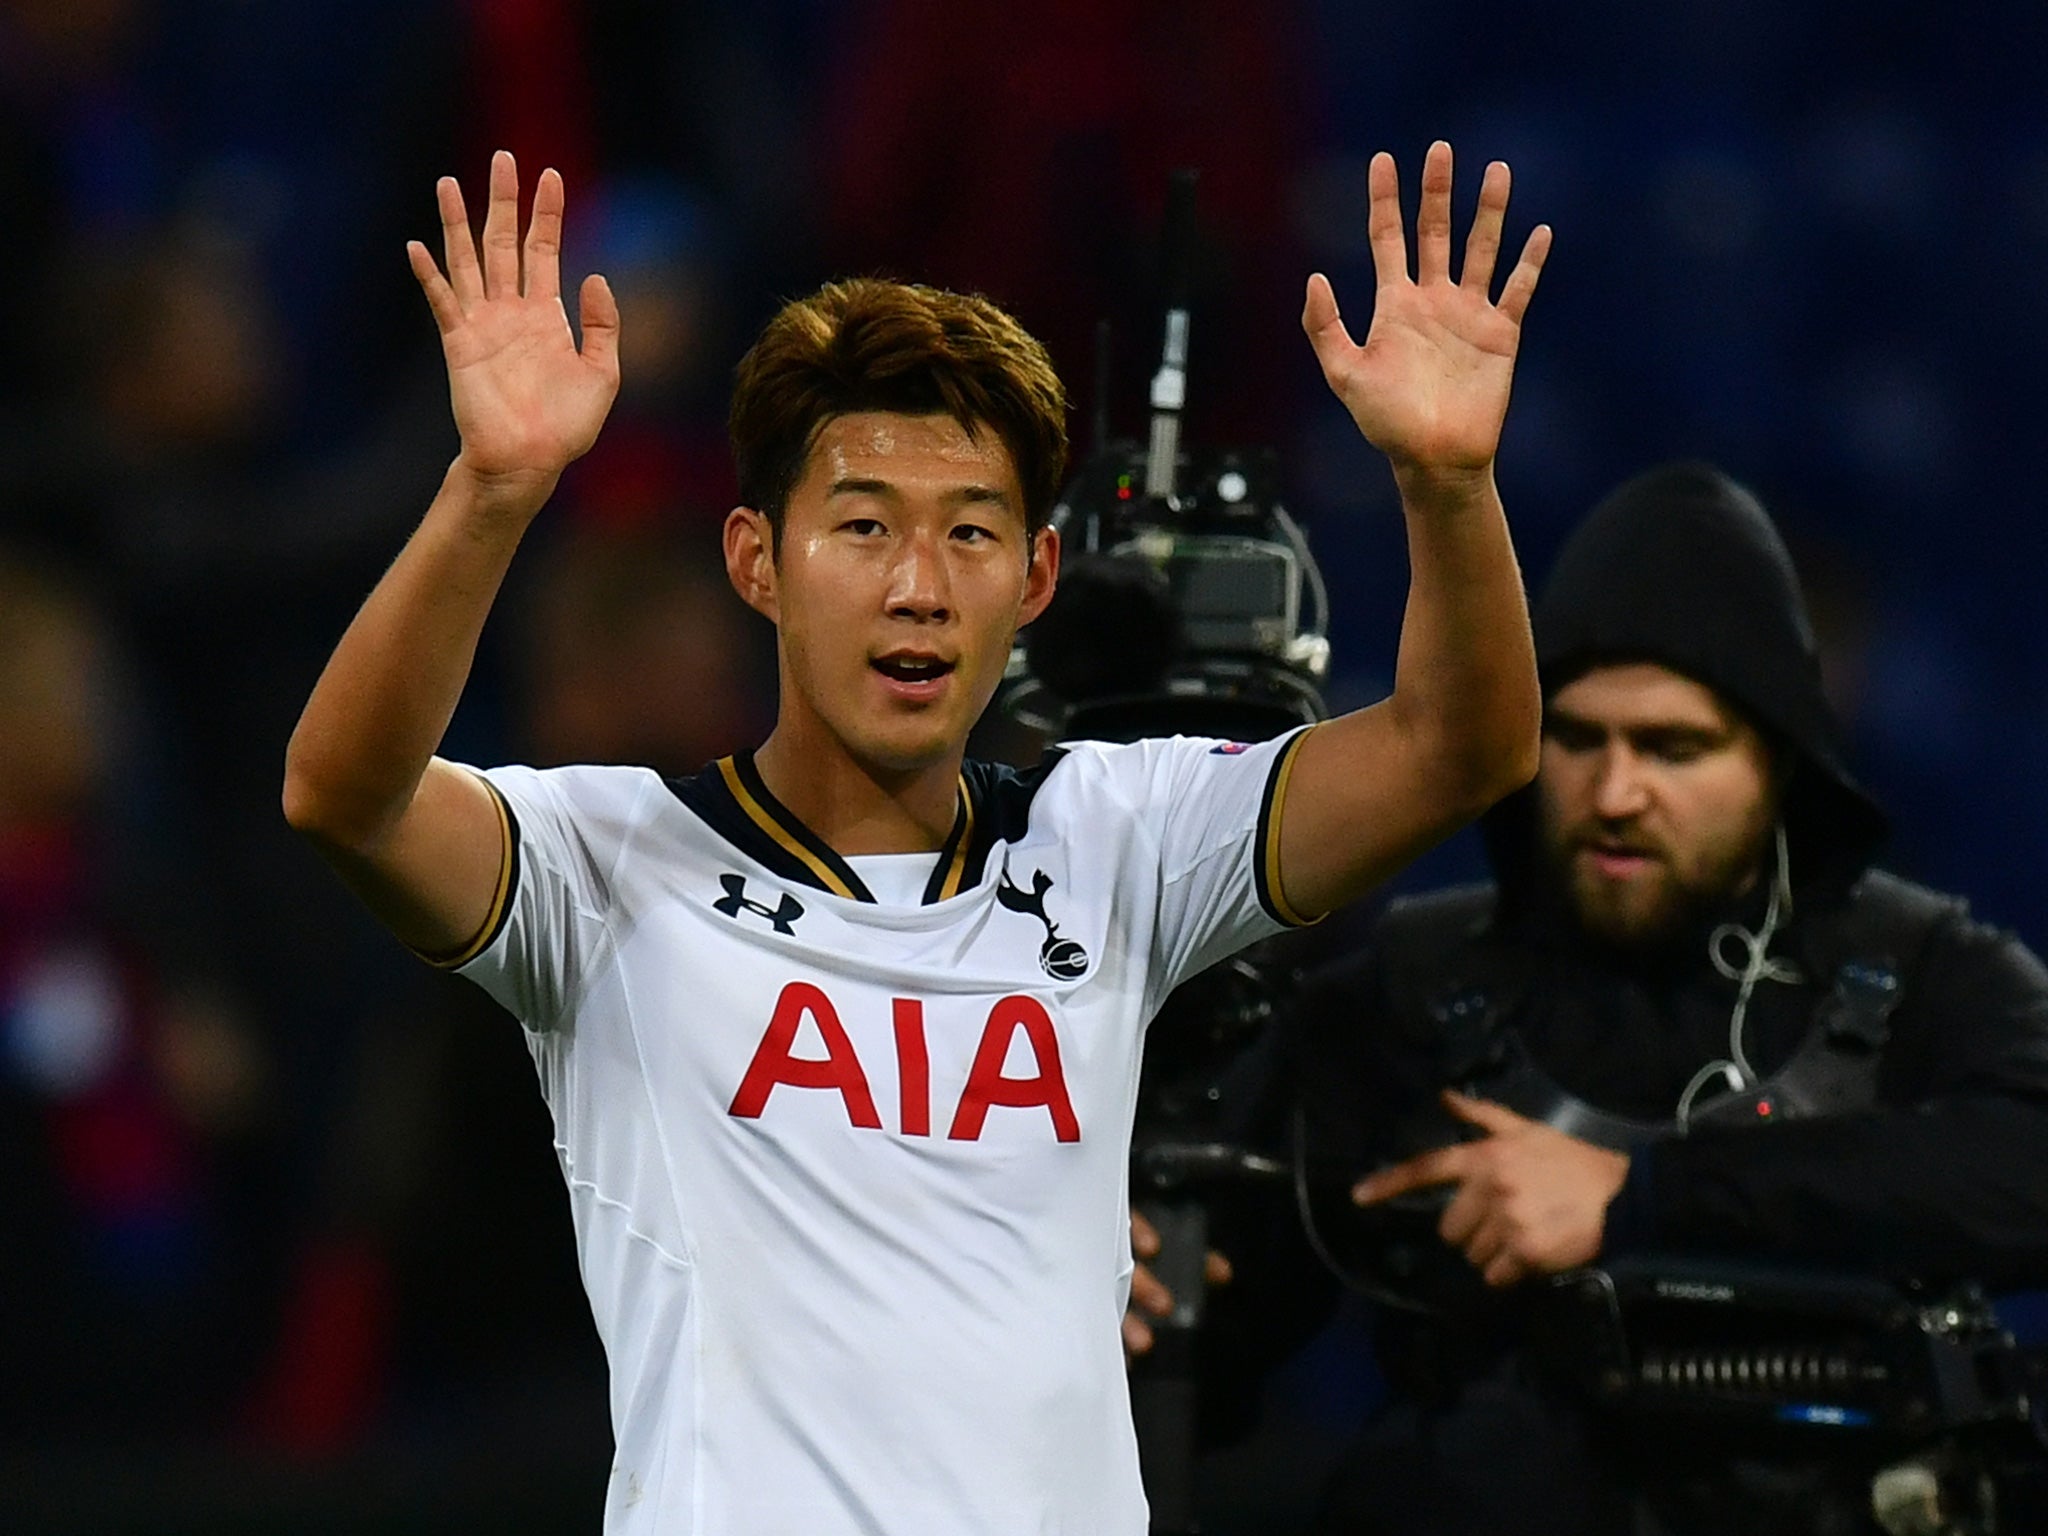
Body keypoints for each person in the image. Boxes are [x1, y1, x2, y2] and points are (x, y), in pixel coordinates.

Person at [279, 142, 1549, 1533]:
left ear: (1038, 577)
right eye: (865, 527)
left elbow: (1460, 749)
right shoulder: (609, 869)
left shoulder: (1120, 840)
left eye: (970, 535)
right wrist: (493, 490)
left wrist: (1446, 481)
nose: (919, 588)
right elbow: (348, 796)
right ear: (757, 561)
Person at [1257, 462, 2048, 1535]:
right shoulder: (1416, 987)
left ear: (1777, 761)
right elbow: (1235, 1297)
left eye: (1673, 748)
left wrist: (1639, 1199)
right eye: (1578, 740)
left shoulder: (1921, 972)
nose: (1615, 793)